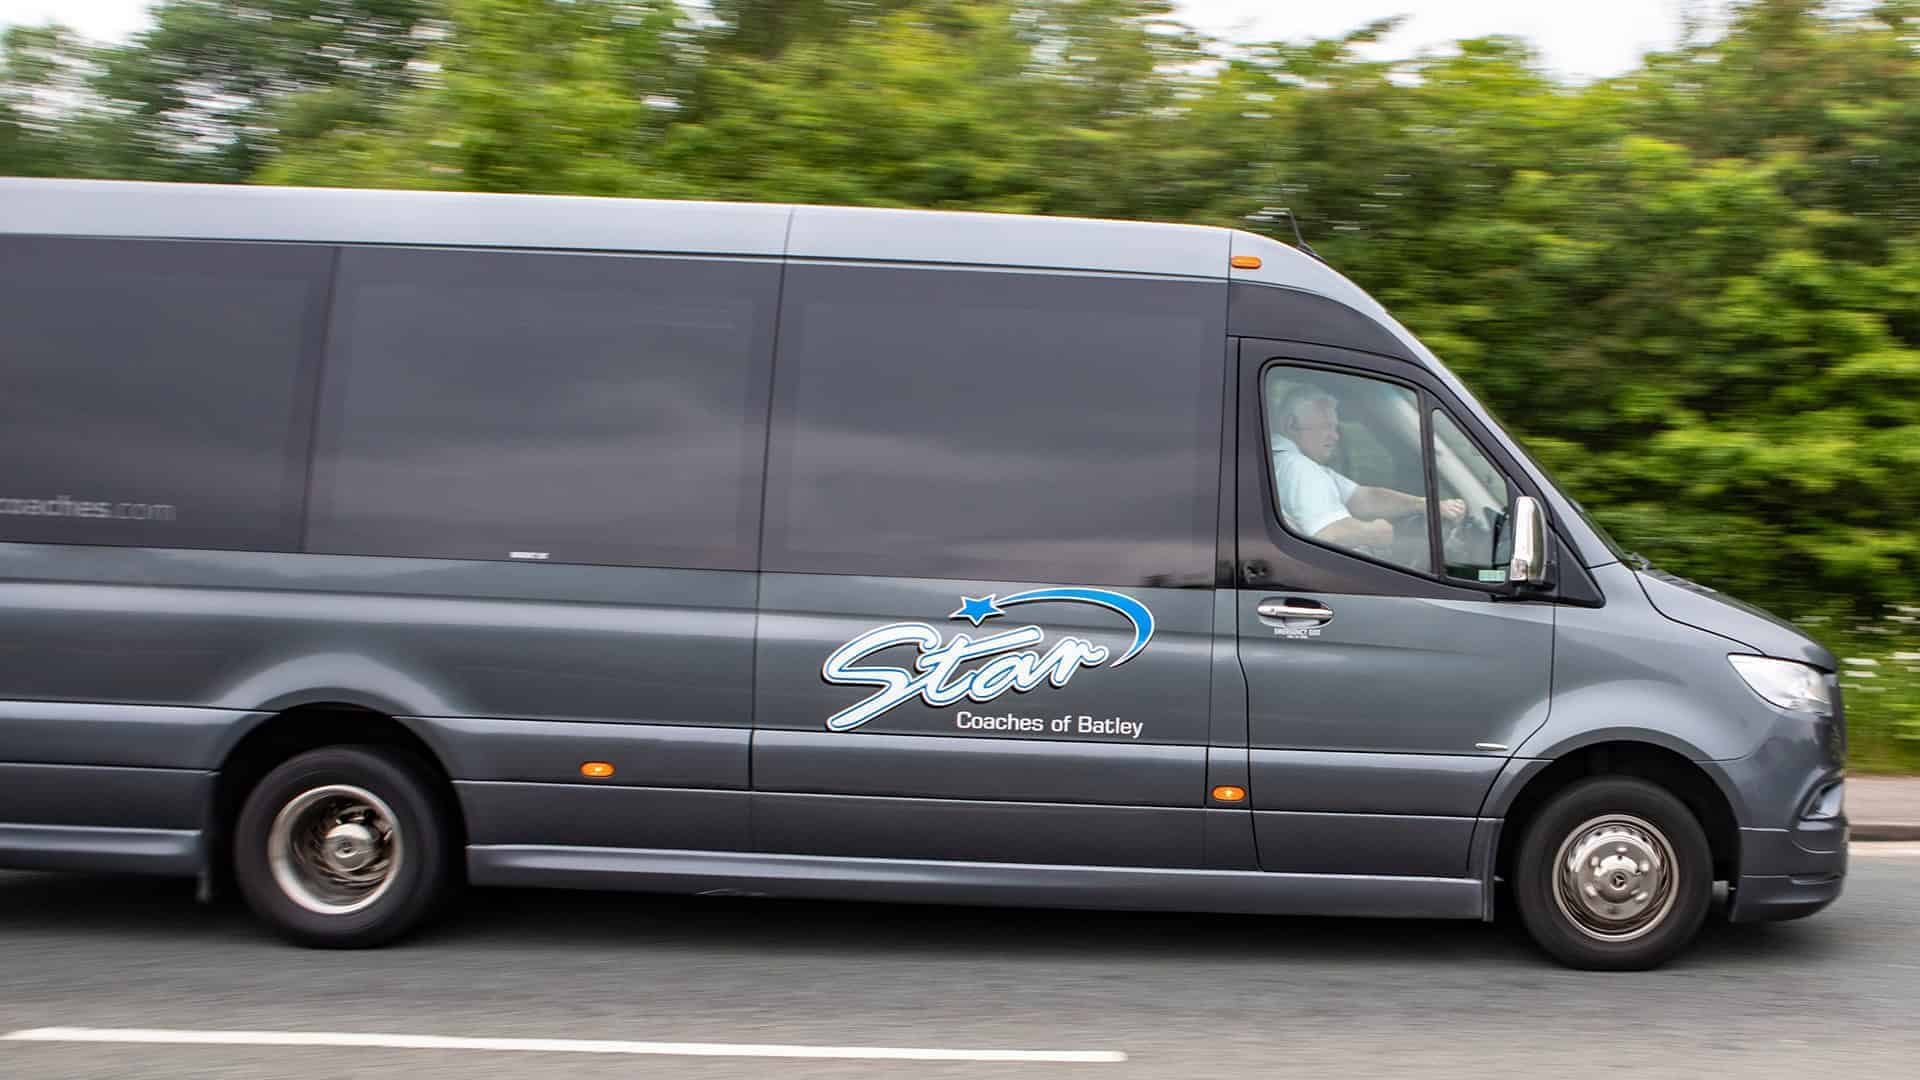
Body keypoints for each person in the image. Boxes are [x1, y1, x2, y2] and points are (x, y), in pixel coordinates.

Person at [1272, 386, 1464, 551]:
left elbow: (1363, 497)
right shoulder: (1299, 469)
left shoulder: (1285, 463)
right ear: (1291, 424)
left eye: (1335, 428)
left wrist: (1422, 504)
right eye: (1326, 426)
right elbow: (1329, 534)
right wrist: (1373, 532)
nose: (1335, 436)